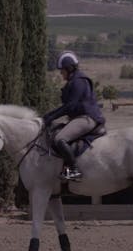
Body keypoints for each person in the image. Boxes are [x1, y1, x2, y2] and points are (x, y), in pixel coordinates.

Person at [42, 50, 105, 181]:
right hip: (80, 117)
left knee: (60, 139)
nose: (61, 73)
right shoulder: (74, 81)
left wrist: (51, 116)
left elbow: (70, 106)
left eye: (62, 70)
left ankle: (74, 169)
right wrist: (49, 115)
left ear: (69, 68)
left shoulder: (79, 81)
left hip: (87, 118)